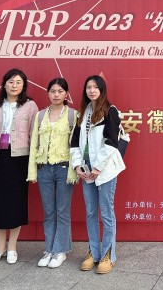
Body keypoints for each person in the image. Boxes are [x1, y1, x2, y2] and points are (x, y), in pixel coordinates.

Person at [0, 68, 38, 264]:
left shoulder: (30, 106)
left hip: (19, 160)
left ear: (23, 86)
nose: (14, 85)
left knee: (15, 204)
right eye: (11, 82)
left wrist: (33, 165)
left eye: (18, 82)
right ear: (4, 84)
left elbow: (34, 136)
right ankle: (0, 247)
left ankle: (12, 247)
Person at [70, 75, 125, 275]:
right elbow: (75, 143)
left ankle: (108, 254)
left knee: (107, 212)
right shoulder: (82, 113)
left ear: (102, 90)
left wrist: (98, 168)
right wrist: (78, 165)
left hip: (105, 170)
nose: (92, 90)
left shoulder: (110, 111)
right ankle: (93, 252)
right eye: (89, 87)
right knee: (91, 212)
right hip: (87, 170)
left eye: (95, 87)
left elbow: (112, 142)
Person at [28, 77, 77, 269]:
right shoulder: (40, 116)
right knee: (49, 212)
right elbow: (34, 144)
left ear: (66, 94)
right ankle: (49, 249)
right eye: (53, 91)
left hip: (64, 168)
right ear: (48, 93)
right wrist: (32, 171)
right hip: (44, 169)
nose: (56, 95)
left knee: (62, 211)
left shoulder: (73, 115)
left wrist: (73, 172)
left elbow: (75, 146)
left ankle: (60, 251)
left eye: (60, 91)